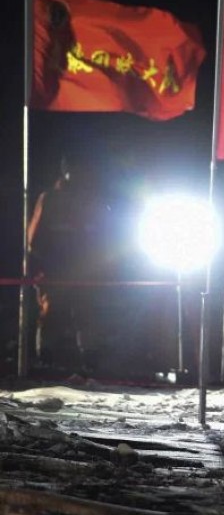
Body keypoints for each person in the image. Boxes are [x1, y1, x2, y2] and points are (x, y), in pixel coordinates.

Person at [27, 154, 114, 374]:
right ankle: (45, 359)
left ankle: (90, 360)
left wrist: (102, 263)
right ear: (66, 171)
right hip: (56, 268)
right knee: (52, 312)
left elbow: (107, 236)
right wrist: (41, 265)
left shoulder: (95, 201)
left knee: (88, 312)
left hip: (88, 269)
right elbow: (34, 239)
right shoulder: (51, 199)